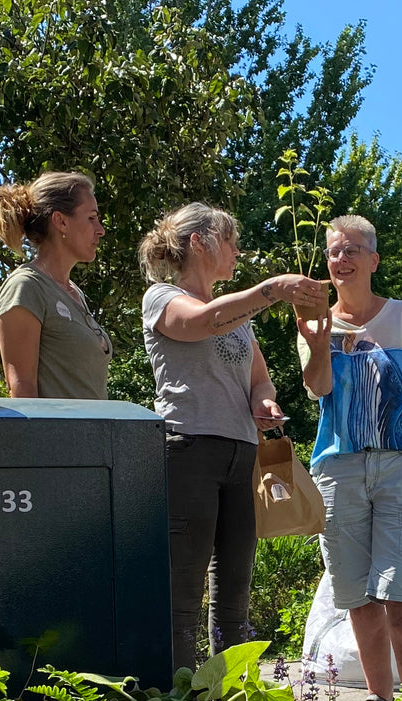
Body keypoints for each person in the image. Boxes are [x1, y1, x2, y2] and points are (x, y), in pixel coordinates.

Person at [139, 202, 325, 670]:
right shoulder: (161, 297)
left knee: (235, 595)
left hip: (242, 457)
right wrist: (271, 289)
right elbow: (199, 323)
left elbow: (259, 377)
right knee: (182, 592)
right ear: (199, 242)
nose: (237, 251)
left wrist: (263, 401)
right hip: (188, 452)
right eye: (229, 240)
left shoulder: (238, 317)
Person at [298, 214, 402, 701]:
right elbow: (318, 389)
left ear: (373, 260)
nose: (341, 259)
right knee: (358, 597)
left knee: (401, 594)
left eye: (352, 250)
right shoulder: (315, 320)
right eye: (334, 252)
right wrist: (319, 344)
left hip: (400, 469)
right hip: (338, 471)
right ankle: (379, 699)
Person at [0, 172, 112, 398]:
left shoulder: (75, 293)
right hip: (56, 434)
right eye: (91, 218)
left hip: (95, 433)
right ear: (61, 221)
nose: (100, 230)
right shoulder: (26, 286)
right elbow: (21, 389)